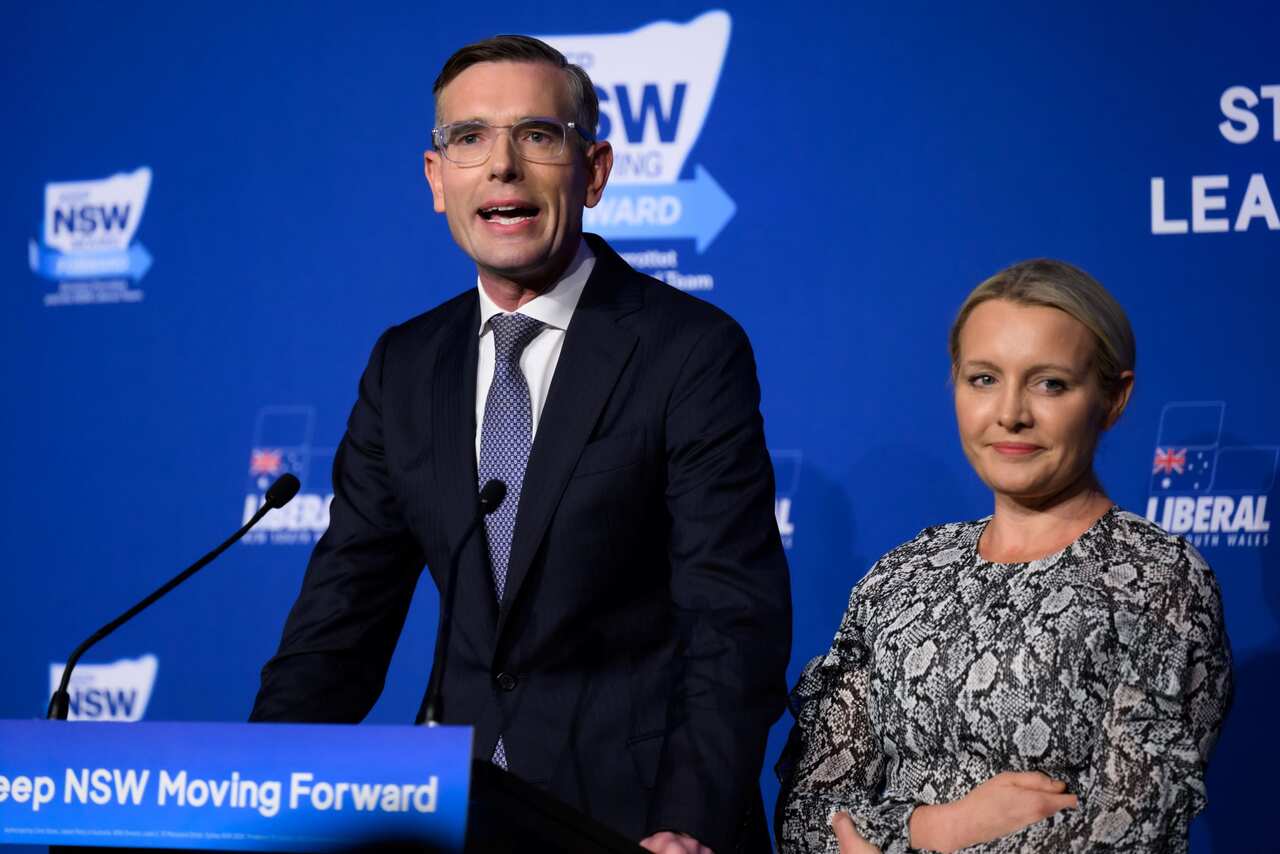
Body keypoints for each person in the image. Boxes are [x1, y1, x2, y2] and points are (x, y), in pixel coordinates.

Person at [249, 34, 791, 854]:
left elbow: (732, 618)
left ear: (595, 171)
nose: (501, 165)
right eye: (468, 139)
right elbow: (342, 614)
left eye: (537, 135)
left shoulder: (687, 350)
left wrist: (688, 821)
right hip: (458, 819)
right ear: (438, 181)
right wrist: (254, 784)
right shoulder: (406, 365)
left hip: (636, 824)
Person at [775, 259, 1232, 853]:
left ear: (1114, 398)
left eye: (1050, 384)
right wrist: (938, 828)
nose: (1011, 413)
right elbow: (809, 816)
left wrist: (886, 841)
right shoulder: (903, 576)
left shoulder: (1156, 580)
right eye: (984, 379)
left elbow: (1129, 832)